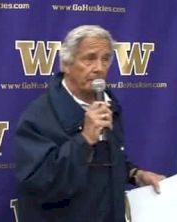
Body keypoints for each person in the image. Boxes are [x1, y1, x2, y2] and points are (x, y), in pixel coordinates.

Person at [14, 25, 165, 222]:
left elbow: (105, 162)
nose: (99, 68)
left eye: (105, 59)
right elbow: (39, 183)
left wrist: (136, 174)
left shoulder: (108, 104)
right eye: (90, 58)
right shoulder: (38, 116)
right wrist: (84, 139)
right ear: (67, 64)